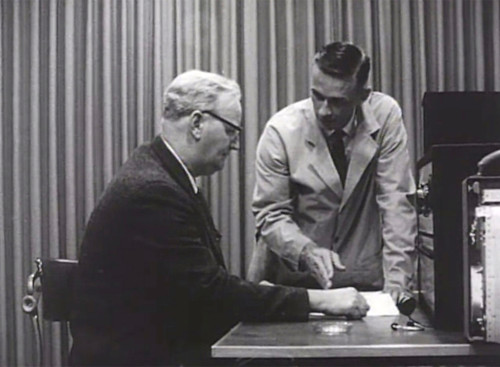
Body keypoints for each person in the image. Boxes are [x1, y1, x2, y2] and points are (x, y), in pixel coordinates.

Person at [69, 70, 369, 367]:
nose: (235, 144)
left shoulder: (159, 171)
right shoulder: (155, 191)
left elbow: (201, 288)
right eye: (230, 130)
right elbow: (211, 294)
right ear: (197, 123)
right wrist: (321, 300)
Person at [247, 42, 417, 303]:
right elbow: (270, 214)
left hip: (364, 281)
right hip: (299, 282)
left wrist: (397, 283)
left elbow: (396, 203)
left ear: (364, 94)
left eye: (338, 102)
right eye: (317, 96)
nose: (325, 110)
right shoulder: (281, 130)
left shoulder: (385, 116)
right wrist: (306, 251)